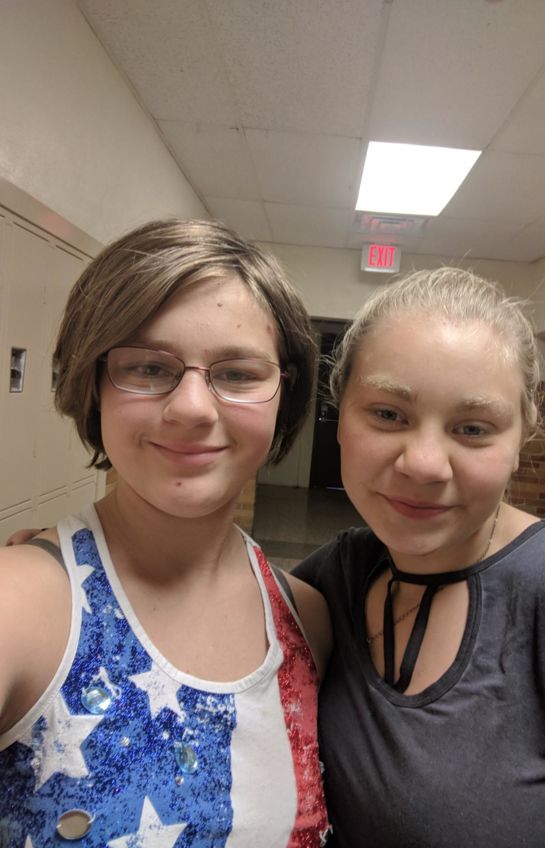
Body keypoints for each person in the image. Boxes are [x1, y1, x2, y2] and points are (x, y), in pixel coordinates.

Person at [0, 219, 332, 846]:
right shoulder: (19, 605)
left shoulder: (308, 622)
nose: (192, 409)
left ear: (284, 398)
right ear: (92, 385)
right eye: (149, 367)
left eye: (238, 374)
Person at [293, 267, 545, 847]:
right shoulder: (336, 577)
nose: (425, 464)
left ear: (522, 437)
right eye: (388, 414)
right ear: (339, 414)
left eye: (473, 428)